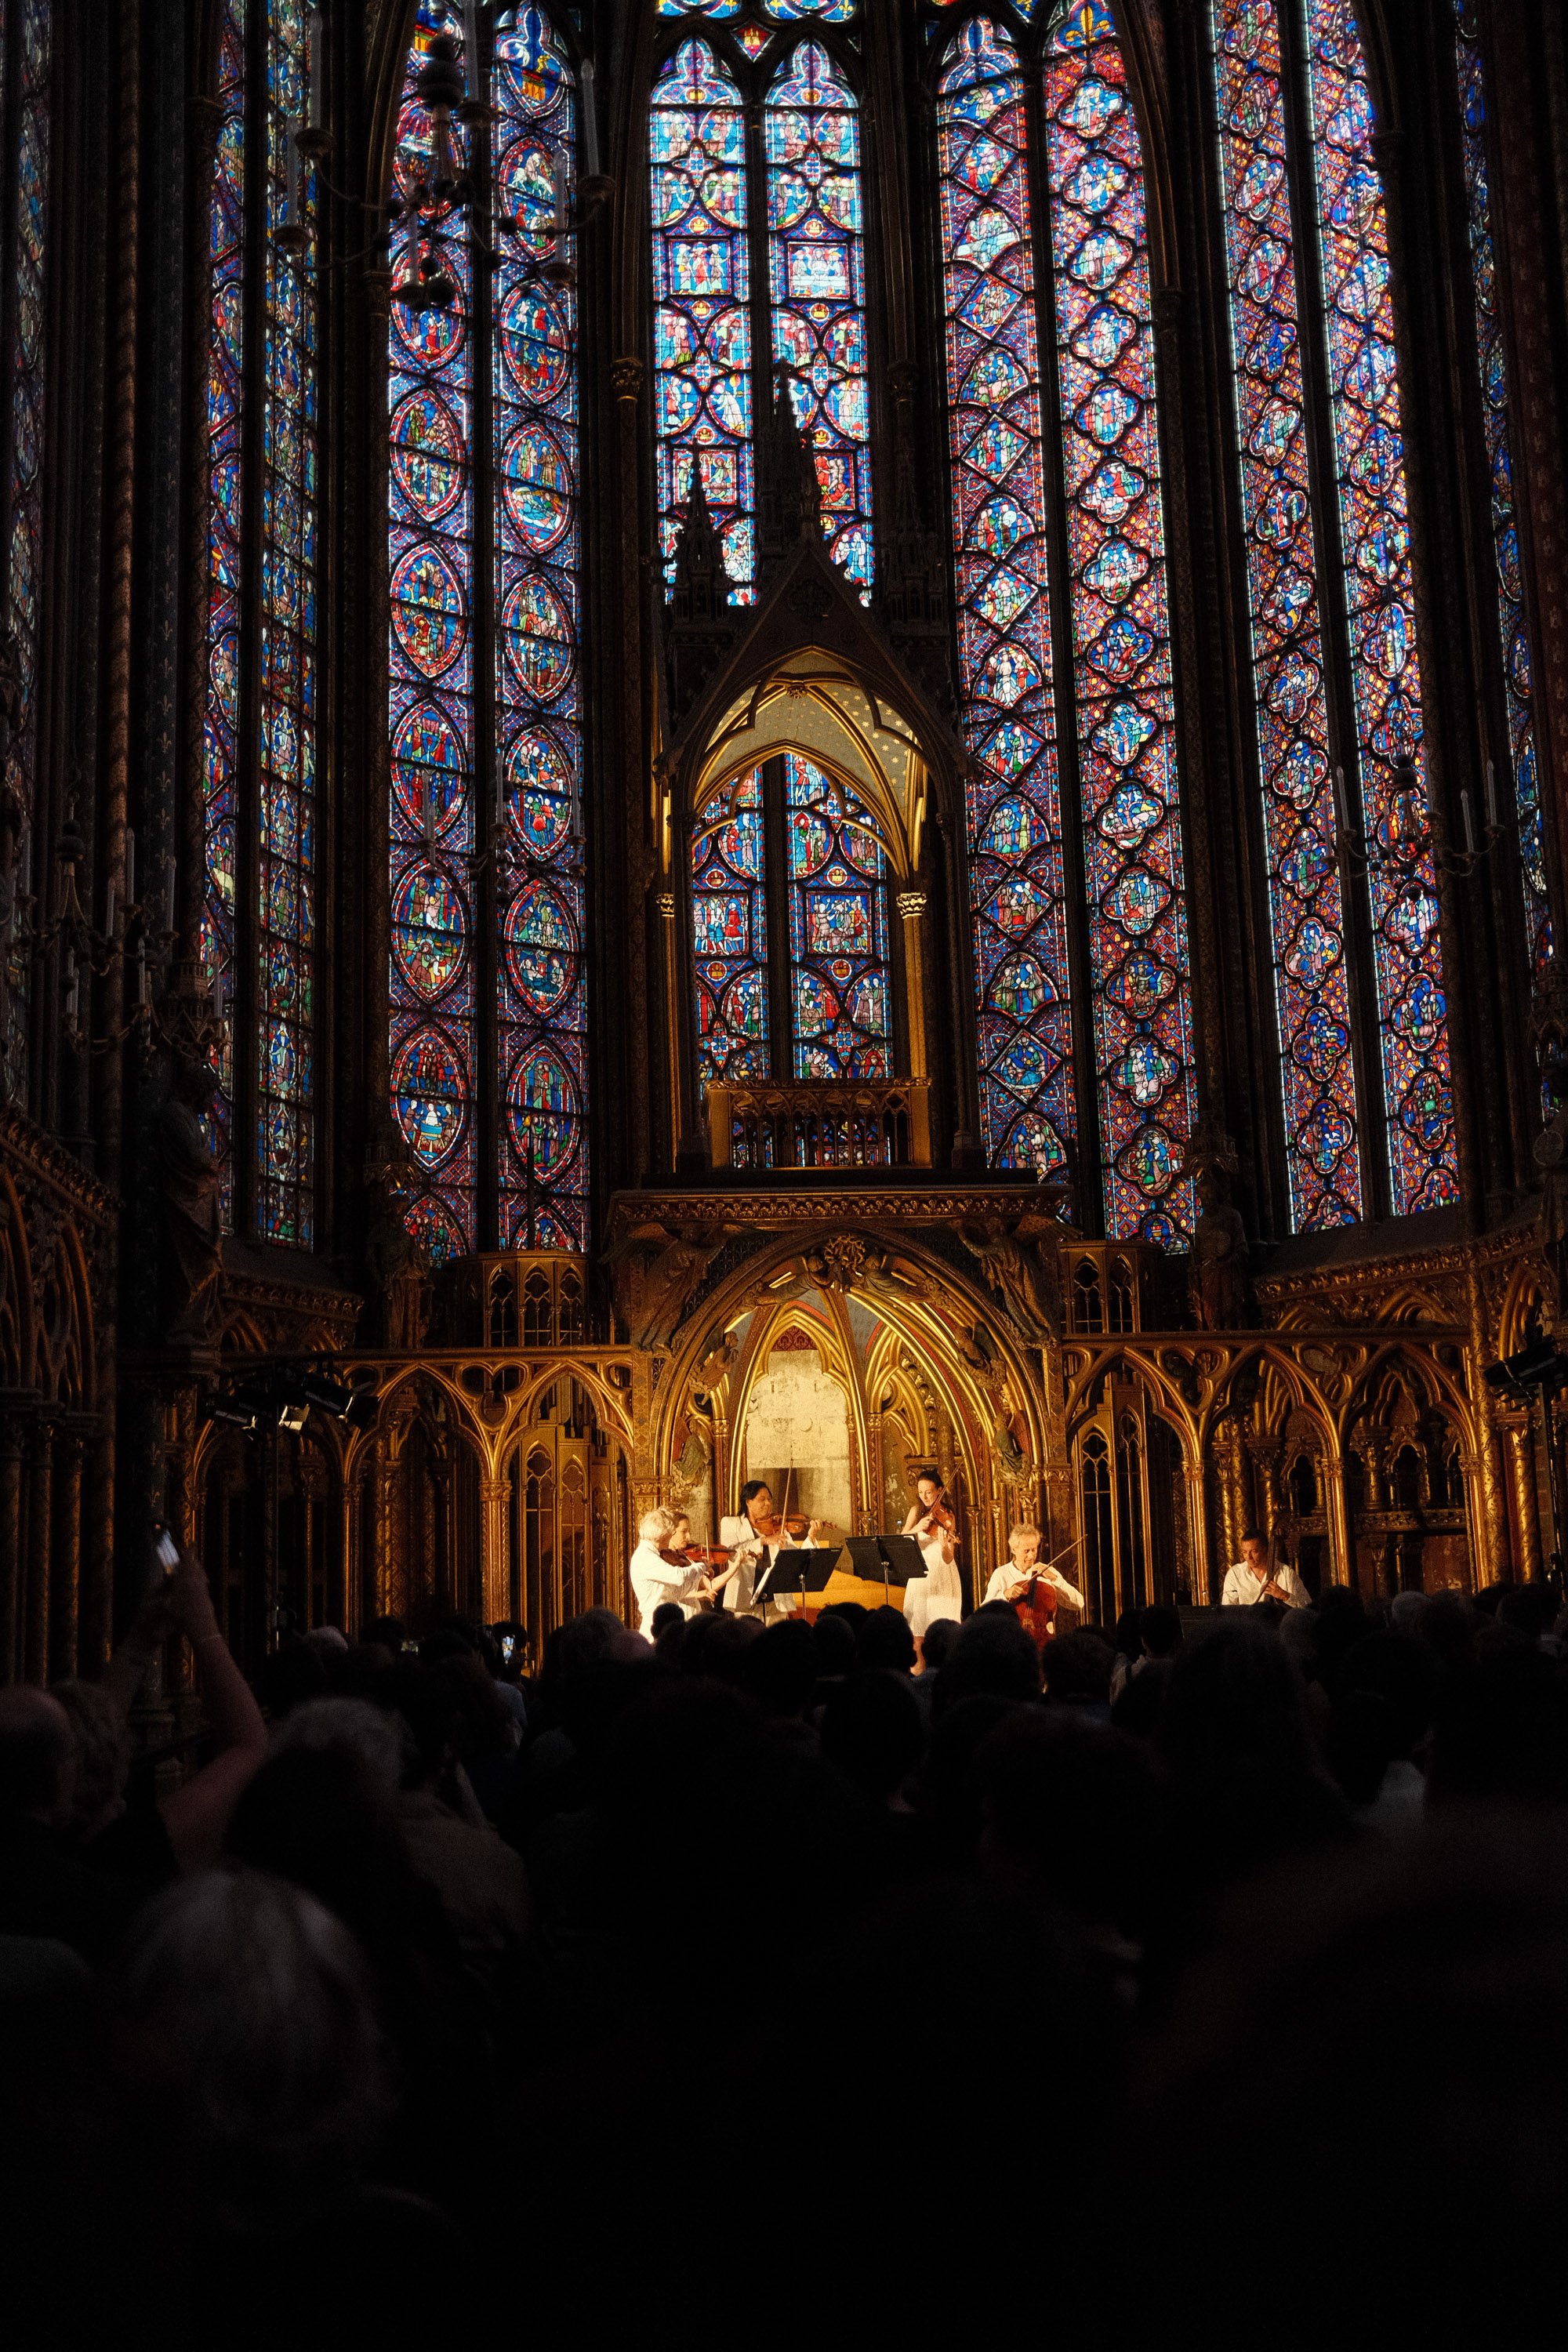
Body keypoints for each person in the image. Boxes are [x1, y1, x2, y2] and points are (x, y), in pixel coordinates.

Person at [720, 1480, 819, 1621]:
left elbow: (796, 1557)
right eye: (762, 1499)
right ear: (748, 1502)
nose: (768, 1503)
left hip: (776, 1602)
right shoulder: (731, 1523)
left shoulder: (778, 1526)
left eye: (769, 1500)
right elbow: (730, 1552)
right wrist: (763, 1540)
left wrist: (811, 1536)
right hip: (745, 1601)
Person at [984, 1523, 1086, 1646]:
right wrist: (1005, 1595)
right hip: (1010, 1642)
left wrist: (1055, 1579)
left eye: (1034, 1550)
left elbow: (1079, 1603)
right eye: (1026, 1551)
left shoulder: (1046, 1572)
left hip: (1043, 1641)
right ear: (1014, 1550)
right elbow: (984, 1611)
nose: (1031, 1556)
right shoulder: (1001, 1574)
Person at [627, 1507, 720, 1639]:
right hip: (655, 1625)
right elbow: (678, 1577)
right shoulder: (645, 1556)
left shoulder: (653, 1554)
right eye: (670, 1533)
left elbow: (676, 1592)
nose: (671, 1536)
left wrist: (698, 1580)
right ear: (661, 1534)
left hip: (667, 1623)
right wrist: (700, 1567)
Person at [901, 1468, 964, 1640]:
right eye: (921, 1492)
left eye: (928, 1492)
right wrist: (917, 1528)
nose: (925, 1497)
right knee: (917, 1633)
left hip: (942, 1576)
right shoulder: (915, 1511)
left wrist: (945, 1545)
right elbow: (900, 1541)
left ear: (939, 1490)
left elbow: (948, 1558)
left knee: (944, 1633)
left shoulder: (948, 1516)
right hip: (920, 1577)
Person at [1221, 1528, 1309, 1610]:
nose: (1248, 1557)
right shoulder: (1235, 1573)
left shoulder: (1286, 1573)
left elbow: (1307, 1607)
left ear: (1265, 1549)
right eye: (1245, 1552)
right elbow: (1227, 1610)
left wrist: (1285, 1596)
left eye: (1254, 1551)